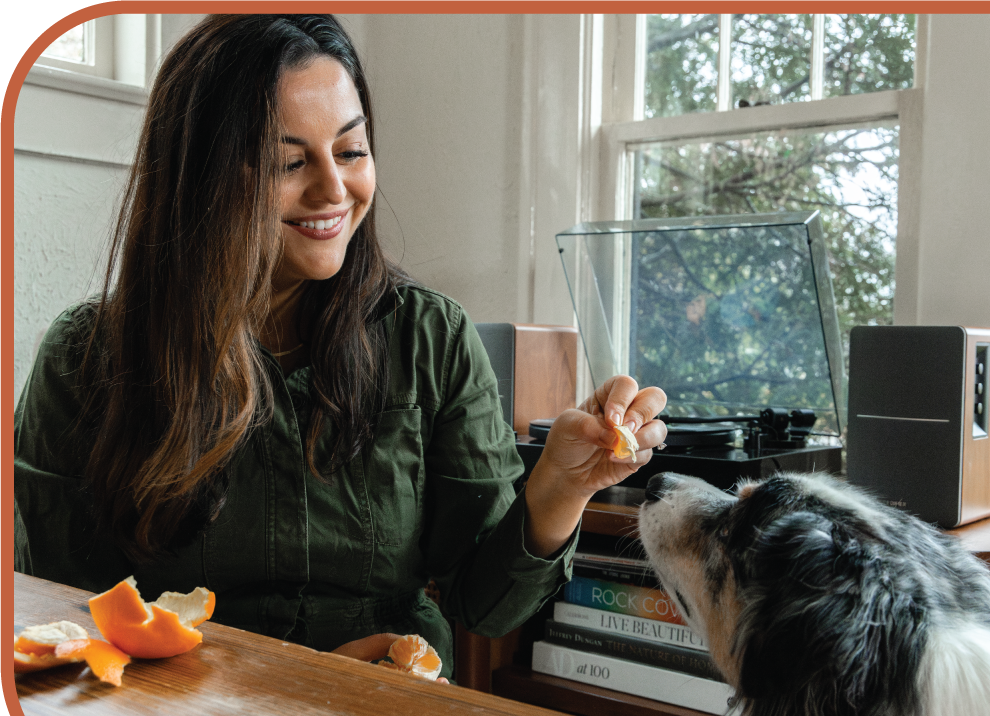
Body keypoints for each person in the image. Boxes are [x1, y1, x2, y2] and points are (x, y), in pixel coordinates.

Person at [13, 15, 666, 680]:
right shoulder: (83, 358)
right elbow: (60, 627)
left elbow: (486, 606)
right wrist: (293, 679)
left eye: (351, 152)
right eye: (289, 162)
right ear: (200, 179)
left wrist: (561, 486)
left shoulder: (431, 339)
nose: (333, 190)